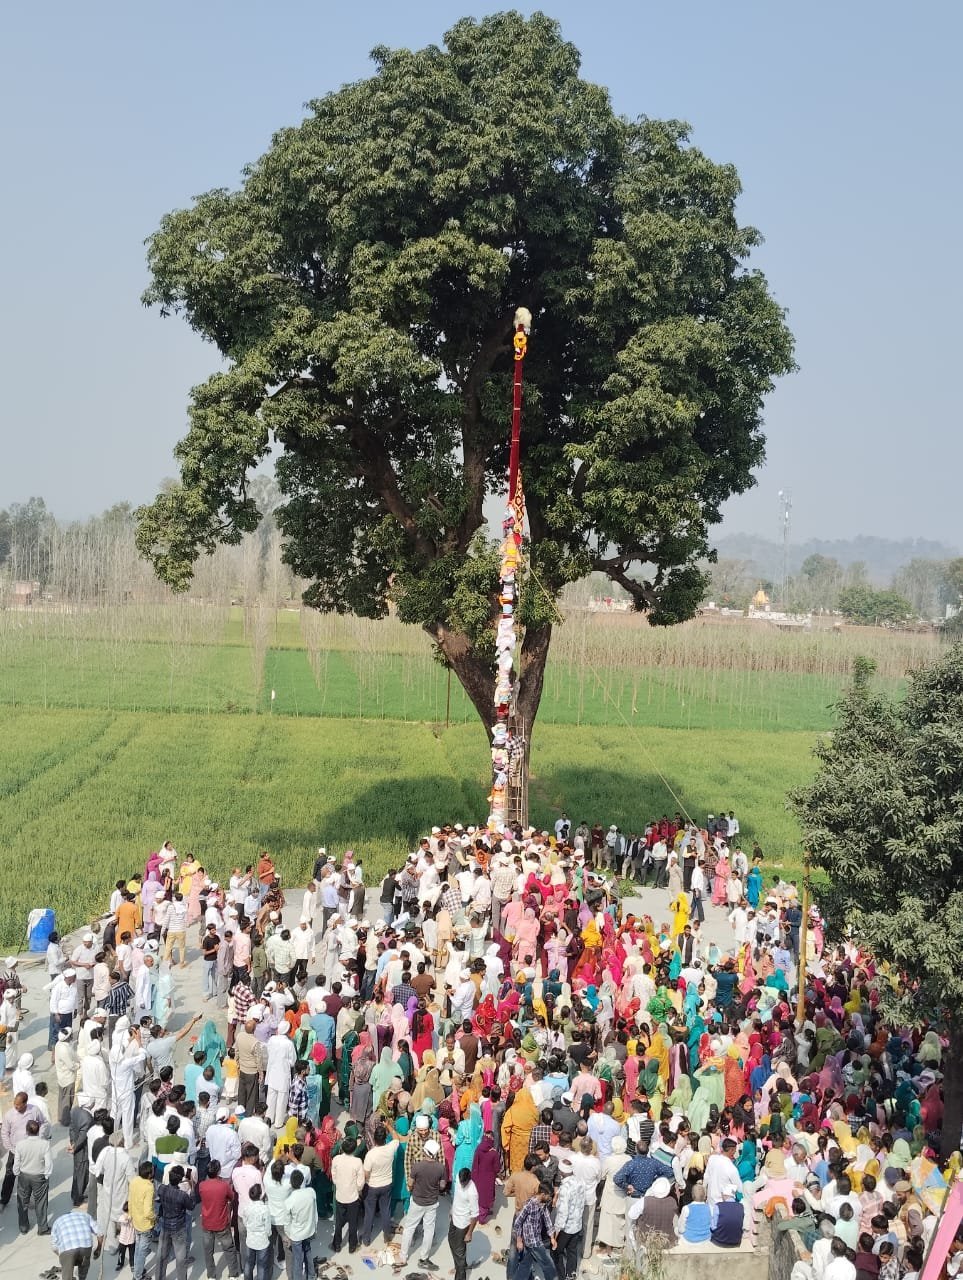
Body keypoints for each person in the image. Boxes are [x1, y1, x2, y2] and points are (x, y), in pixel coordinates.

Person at [394, 1138, 447, 1272]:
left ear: (425, 1151)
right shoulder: (441, 1168)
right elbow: (442, 1186)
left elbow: (410, 1183)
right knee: (429, 1230)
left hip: (417, 1201)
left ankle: (403, 1257)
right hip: (432, 1203)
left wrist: (413, 1188)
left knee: (409, 1228)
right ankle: (424, 1258)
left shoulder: (417, 1166)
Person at [198, 1161, 241, 1280]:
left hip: (207, 1223)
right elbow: (231, 1197)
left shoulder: (202, 1185)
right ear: (218, 1171)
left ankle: (211, 1275)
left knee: (208, 1251)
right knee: (229, 1249)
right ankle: (233, 1274)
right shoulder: (223, 1186)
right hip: (222, 1223)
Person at [155, 1164, 195, 1280]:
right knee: (181, 1258)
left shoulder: (161, 1189)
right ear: (181, 1179)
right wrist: (192, 1187)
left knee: (161, 1256)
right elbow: (192, 1206)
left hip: (165, 1226)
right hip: (178, 1228)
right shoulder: (182, 1195)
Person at [511, 1183, 558, 1280]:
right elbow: (518, 1222)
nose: (550, 1198)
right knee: (548, 1265)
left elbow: (547, 1219)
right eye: (549, 1196)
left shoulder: (543, 1204)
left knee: (526, 1264)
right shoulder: (529, 1205)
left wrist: (552, 1237)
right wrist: (519, 1240)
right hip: (532, 1242)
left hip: (537, 1239)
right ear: (543, 1194)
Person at [362, 1121, 398, 1247]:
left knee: (369, 1213)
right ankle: (387, 1236)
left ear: (375, 1139)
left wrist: (363, 1185)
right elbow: (396, 1137)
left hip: (372, 1186)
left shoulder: (370, 1154)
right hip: (387, 1184)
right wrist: (388, 1126)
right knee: (385, 1210)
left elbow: (366, 1173)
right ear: (384, 1138)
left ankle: (366, 1239)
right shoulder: (390, 1148)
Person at [15, 1116, 52, 1234]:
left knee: (22, 1201)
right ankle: (42, 1228)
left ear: (26, 1131)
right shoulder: (44, 1144)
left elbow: (17, 1162)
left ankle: (23, 1227)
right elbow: (49, 1163)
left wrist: (17, 1174)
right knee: (41, 1202)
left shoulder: (20, 1144)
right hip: (39, 1177)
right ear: (38, 1130)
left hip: (24, 1176)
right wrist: (46, 1175)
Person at [280, 1168, 318, 1280]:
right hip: (309, 1230)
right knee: (308, 1252)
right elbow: (315, 1212)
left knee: (298, 1259)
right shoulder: (311, 1192)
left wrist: (287, 1235)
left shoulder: (289, 1200)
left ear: (291, 1183)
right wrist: (315, 1227)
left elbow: (286, 1222)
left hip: (296, 1235)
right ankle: (311, 1276)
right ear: (303, 1181)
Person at [331, 1135, 365, 1253]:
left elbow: (334, 1176)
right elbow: (361, 1182)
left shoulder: (336, 1159)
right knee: (353, 1222)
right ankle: (352, 1246)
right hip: (353, 1197)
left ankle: (337, 1244)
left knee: (339, 1222)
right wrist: (357, 1189)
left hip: (340, 1196)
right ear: (354, 1149)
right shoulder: (357, 1161)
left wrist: (339, 1185)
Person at [50, 1209, 104, 1280]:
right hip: (85, 1245)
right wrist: (99, 1249)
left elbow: (54, 1247)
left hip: (67, 1248)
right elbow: (100, 1233)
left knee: (67, 1276)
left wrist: (64, 1258)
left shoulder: (57, 1222)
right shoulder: (85, 1216)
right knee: (83, 1268)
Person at [448, 1167, 479, 1280]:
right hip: (454, 1218)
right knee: (451, 1241)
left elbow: (475, 1215)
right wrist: (452, 1208)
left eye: (463, 1183)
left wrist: (469, 1233)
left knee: (460, 1253)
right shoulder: (458, 1177)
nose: (461, 1184)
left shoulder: (472, 1192)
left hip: (463, 1224)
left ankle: (460, 1275)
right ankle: (460, 1265)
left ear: (469, 1180)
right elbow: (456, 1195)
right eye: (460, 1182)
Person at [240, 1183, 272, 1280]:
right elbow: (267, 1227)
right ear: (260, 1194)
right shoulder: (265, 1209)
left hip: (250, 1240)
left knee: (249, 1264)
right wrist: (268, 1234)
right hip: (262, 1241)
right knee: (262, 1266)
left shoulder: (246, 1207)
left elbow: (244, 1221)